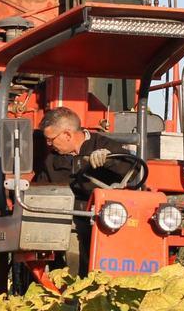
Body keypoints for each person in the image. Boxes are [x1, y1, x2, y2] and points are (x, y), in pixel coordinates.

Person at [35, 107, 133, 273]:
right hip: (73, 220)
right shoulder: (52, 160)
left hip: (110, 220)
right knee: (69, 233)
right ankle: (74, 284)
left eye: (50, 139)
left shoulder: (104, 145)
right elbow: (42, 190)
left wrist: (109, 160)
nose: (48, 144)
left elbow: (132, 167)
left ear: (67, 135)